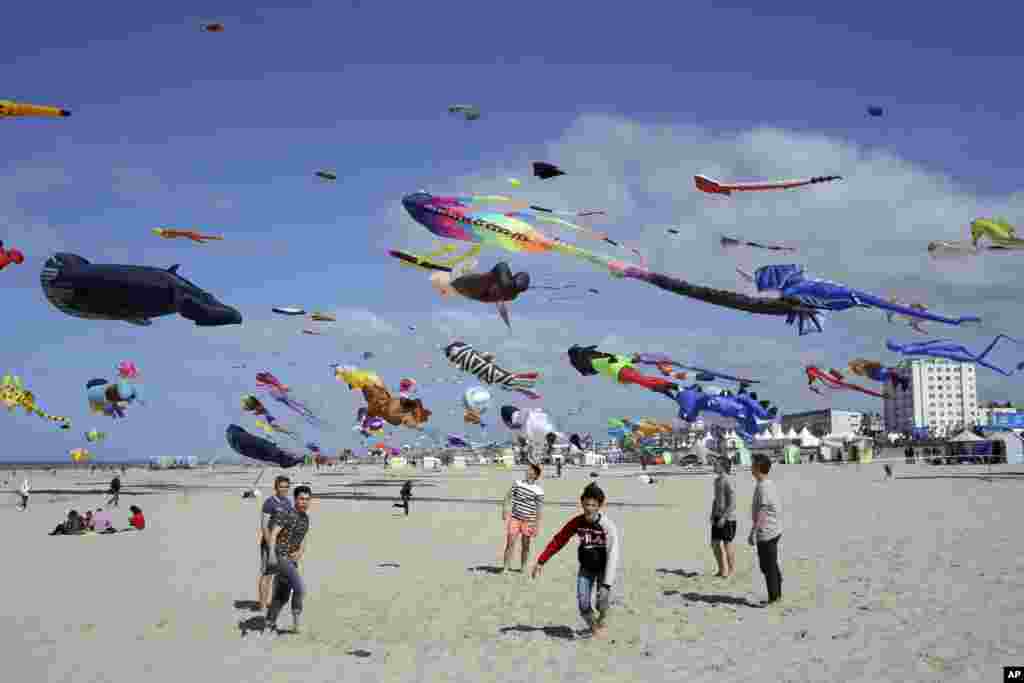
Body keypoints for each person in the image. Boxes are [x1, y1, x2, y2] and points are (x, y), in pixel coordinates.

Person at [531, 482, 620, 639]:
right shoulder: (577, 522)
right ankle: (595, 629)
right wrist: (541, 561)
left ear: (600, 506)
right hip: (585, 569)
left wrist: (607, 584)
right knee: (583, 605)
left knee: (602, 603)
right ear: (582, 503)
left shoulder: (608, 526)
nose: (589, 508)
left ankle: (603, 617)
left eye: (593, 505)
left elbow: (613, 554)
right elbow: (559, 540)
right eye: (586, 504)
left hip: (603, 570)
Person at [265, 485, 312, 634]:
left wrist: (301, 551)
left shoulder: (305, 518)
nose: (304, 502)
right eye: (301, 499)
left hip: (292, 560)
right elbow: (273, 533)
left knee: (283, 594)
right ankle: (296, 626)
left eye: (307, 499)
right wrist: (271, 555)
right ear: (295, 499)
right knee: (299, 588)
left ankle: (269, 623)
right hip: (280, 556)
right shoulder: (286, 513)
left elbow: (303, 537)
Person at [748, 455, 783, 605]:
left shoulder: (763, 486)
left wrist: (753, 532)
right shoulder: (766, 483)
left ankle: (774, 598)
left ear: (758, 468)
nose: (751, 468)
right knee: (771, 564)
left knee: (767, 566)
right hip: (773, 529)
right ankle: (777, 593)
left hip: (767, 531)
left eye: (753, 465)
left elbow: (762, 511)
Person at [502, 463, 544, 572]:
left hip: (528, 521)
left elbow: (539, 509)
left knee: (526, 545)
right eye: (528, 470)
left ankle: (523, 567)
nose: (528, 472)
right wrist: (505, 509)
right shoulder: (518, 483)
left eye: (531, 471)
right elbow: (507, 496)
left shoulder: (538, 490)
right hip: (515, 518)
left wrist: (536, 526)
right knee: (510, 542)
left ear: (535, 475)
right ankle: (505, 568)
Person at [259, 476, 293, 611]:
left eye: (286, 487)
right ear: (275, 487)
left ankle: (271, 603)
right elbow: (264, 527)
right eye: (281, 486)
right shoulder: (269, 503)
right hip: (269, 544)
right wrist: (271, 548)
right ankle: (262, 605)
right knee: (267, 574)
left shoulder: (288, 503)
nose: (284, 489)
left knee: (279, 576)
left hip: (283, 545)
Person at [710, 457, 737, 578]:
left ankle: (731, 570)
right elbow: (716, 499)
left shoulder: (728, 480)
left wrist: (724, 517)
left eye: (716, 464)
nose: (714, 466)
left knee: (727, 545)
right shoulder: (716, 481)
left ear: (723, 466)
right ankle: (721, 569)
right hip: (717, 516)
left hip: (728, 518)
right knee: (715, 544)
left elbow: (732, 502)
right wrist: (712, 514)